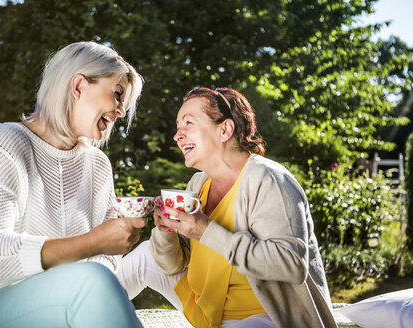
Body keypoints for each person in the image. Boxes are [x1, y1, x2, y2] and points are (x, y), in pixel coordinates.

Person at [0, 41, 145, 328]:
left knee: (95, 282)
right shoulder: (5, 142)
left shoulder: (98, 166)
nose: (121, 112)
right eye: (117, 95)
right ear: (78, 86)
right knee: (91, 283)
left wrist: (109, 245)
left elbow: (106, 263)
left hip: (65, 309)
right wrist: (92, 243)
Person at [117, 87, 337, 328]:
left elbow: (291, 265)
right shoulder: (199, 183)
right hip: (210, 310)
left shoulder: (268, 179)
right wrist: (166, 229)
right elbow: (171, 265)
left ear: (225, 130)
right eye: (178, 126)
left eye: (188, 123)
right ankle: (81, 313)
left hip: (265, 318)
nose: (177, 135)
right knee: (145, 254)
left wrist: (206, 231)